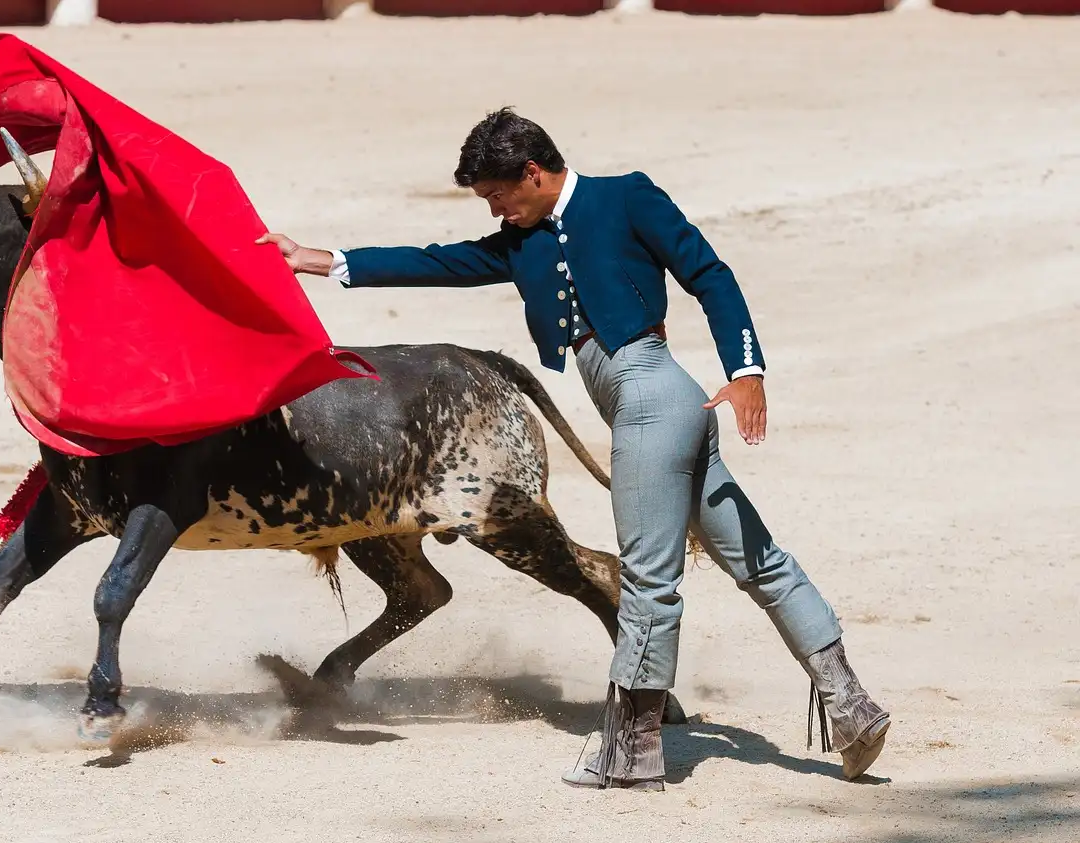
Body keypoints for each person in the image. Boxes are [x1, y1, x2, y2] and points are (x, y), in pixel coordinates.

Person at [256, 107, 890, 790]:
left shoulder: (626, 196)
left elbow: (710, 274)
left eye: (499, 193)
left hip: (652, 400)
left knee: (649, 578)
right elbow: (438, 262)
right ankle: (851, 705)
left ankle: (633, 752)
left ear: (532, 172)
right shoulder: (521, 239)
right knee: (757, 560)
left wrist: (747, 374)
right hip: (657, 408)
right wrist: (318, 261)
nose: (496, 208)